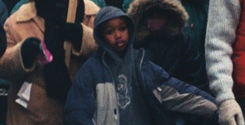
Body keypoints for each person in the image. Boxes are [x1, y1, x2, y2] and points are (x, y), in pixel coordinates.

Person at [64, 7, 217, 125]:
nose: (118, 35)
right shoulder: (92, 70)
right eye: (110, 31)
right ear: (100, 37)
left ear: (129, 30)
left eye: (122, 28)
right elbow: (77, 111)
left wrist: (218, 108)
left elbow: (179, 92)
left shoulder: (142, 65)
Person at [0, 0, 98, 125]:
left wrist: (82, 37)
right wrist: (22, 54)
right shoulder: (20, 19)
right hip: (31, 115)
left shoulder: (93, 14)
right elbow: (0, 63)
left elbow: (111, 51)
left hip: (81, 113)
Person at [127, 0, 208, 89]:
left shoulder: (182, 41)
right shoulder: (133, 43)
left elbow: (196, 78)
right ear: (142, 17)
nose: (155, 18)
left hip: (180, 98)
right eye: (151, 14)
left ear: (169, 14)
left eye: (160, 13)